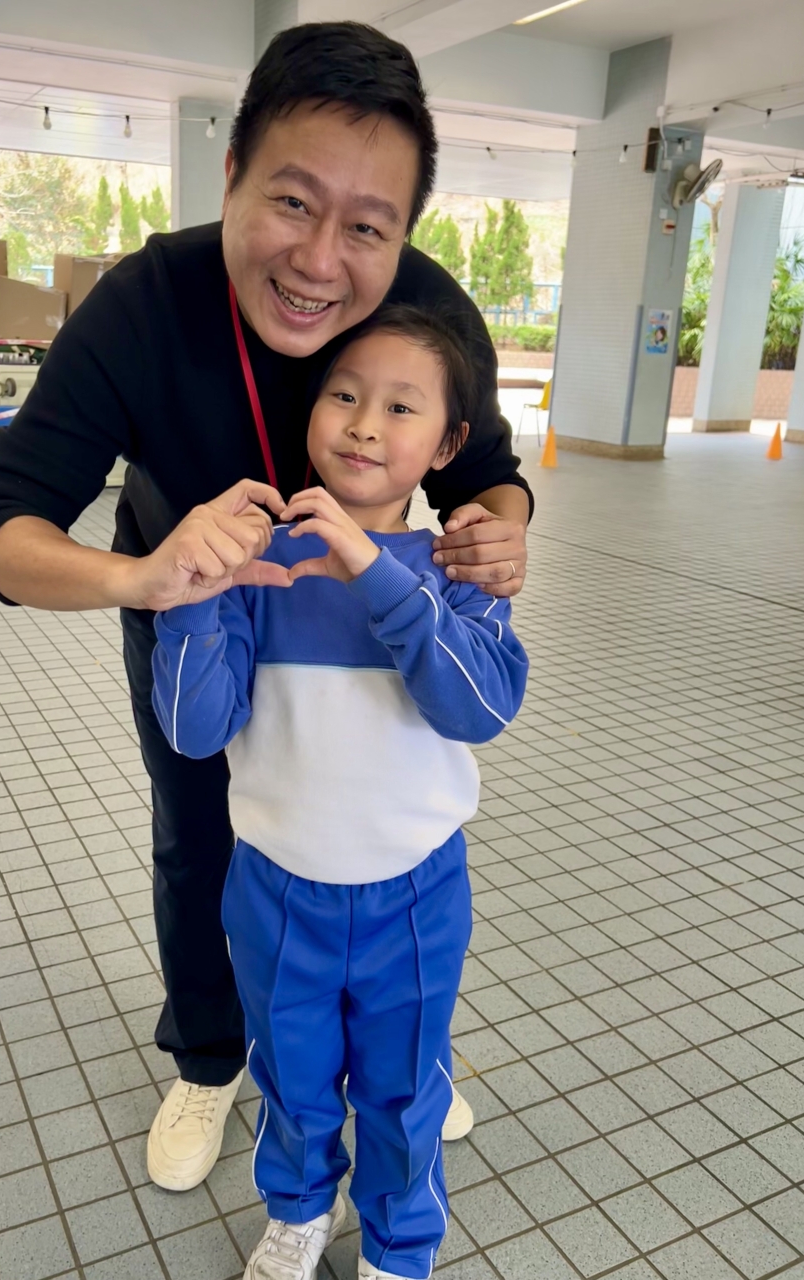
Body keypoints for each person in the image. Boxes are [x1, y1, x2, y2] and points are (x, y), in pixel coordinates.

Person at [0, 21, 533, 1192]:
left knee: (380, 828)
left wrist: (500, 528)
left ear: (402, 233)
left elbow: (488, 470)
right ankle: (213, 1055)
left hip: (362, 613)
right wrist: (138, 580)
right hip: (196, 600)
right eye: (292, 202)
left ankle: (398, 1046)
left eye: (367, 227)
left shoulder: (421, 308)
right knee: (201, 823)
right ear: (231, 175)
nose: (321, 261)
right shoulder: (146, 305)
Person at [151, 306, 529, 1280]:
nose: (364, 424)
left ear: (446, 445)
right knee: (292, 1074)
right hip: (276, 890)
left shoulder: (459, 568)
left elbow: (479, 707)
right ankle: (298, 1212)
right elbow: (194, 730)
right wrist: (188, 594)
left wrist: (376, 573)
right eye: (345, 396)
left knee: (405, 1088)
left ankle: (400, 1243)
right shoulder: (255, 566)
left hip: (415, 893)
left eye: (401, 407)